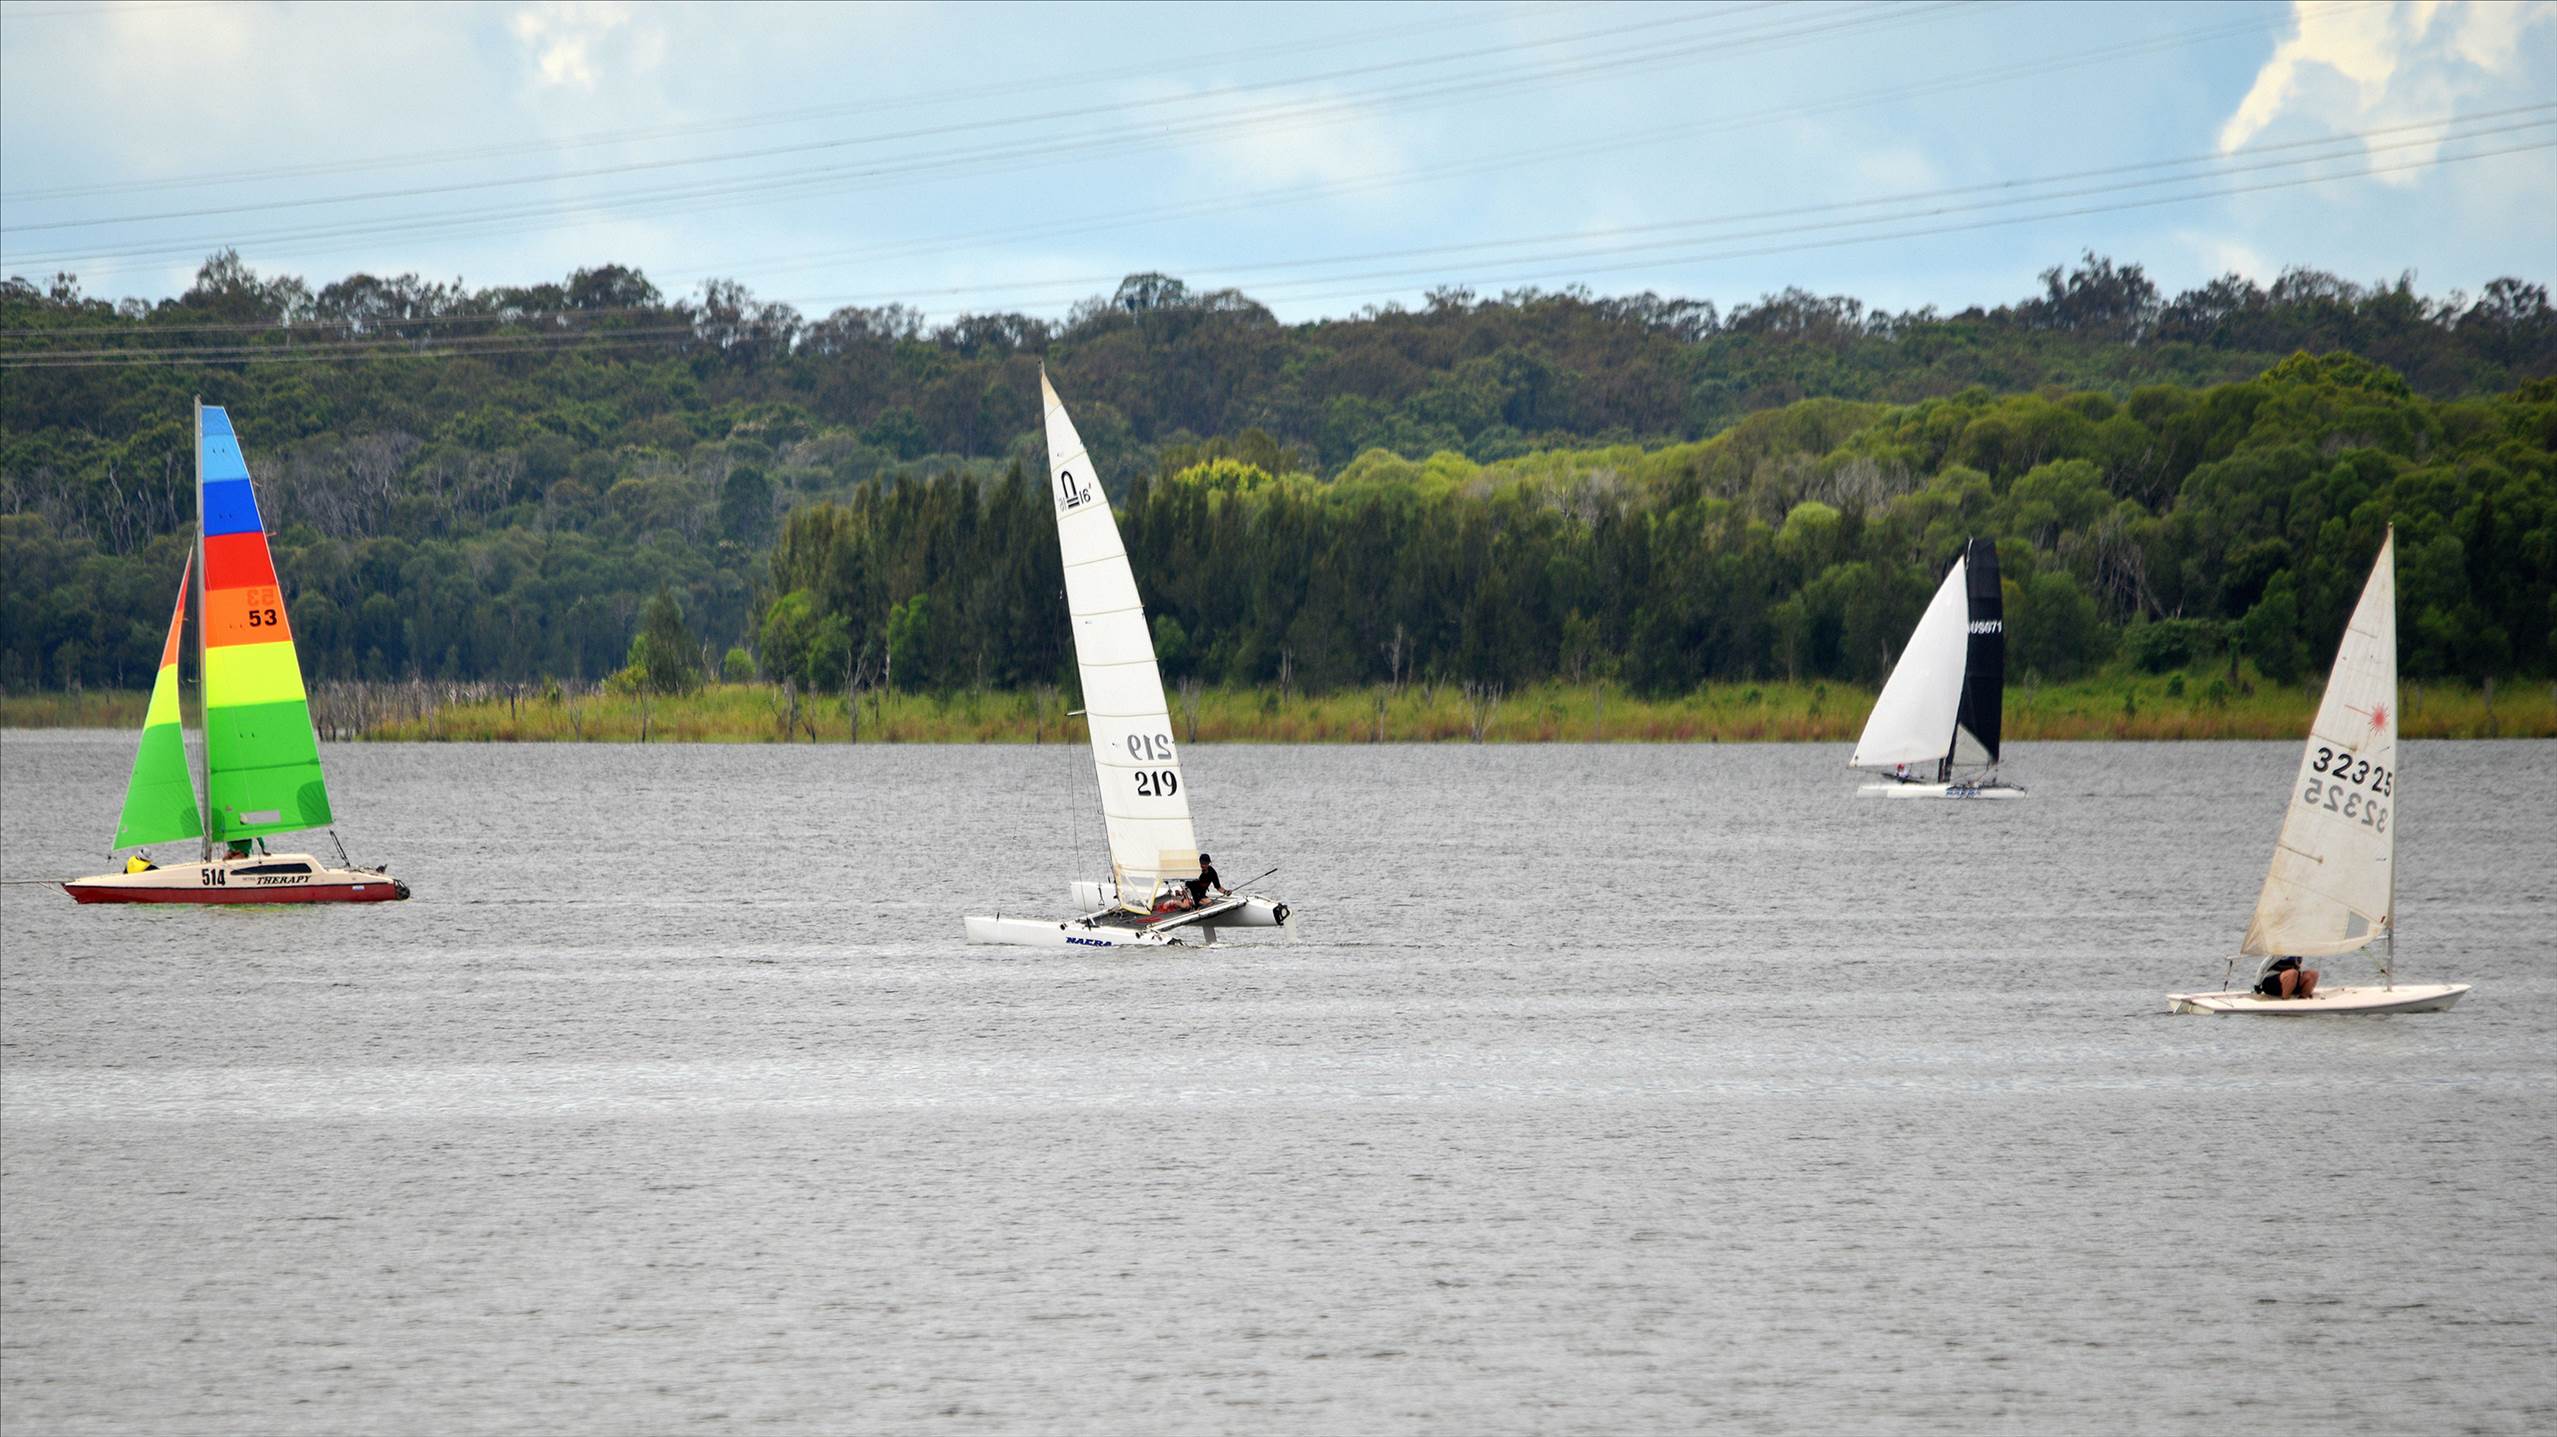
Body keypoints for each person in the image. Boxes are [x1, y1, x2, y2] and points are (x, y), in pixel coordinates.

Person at [2254, 954, 2320, 1000]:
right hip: (2271, 984)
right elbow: (2262, 967)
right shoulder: (2278, 953)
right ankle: (2285, 999)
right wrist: (2257, 985)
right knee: (2292, 973)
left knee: (2313, 974)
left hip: (2290, 980)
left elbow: (2299, 969)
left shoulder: (2298, 954)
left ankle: (2302, 998)